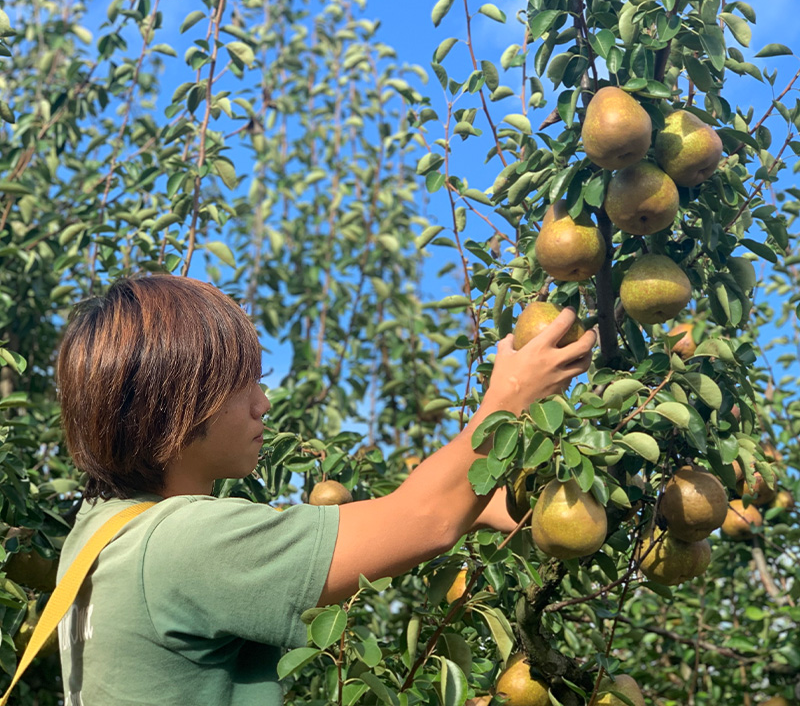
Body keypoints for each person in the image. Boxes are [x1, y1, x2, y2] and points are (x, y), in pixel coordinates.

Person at [55, 274, 595, 705]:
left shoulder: (99, 534)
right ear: (174, 400)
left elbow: (382, 523)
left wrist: (473, 507)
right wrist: (511, 397)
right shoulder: (183, 544)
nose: (263, 404)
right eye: (243, 383)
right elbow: (425, 519)